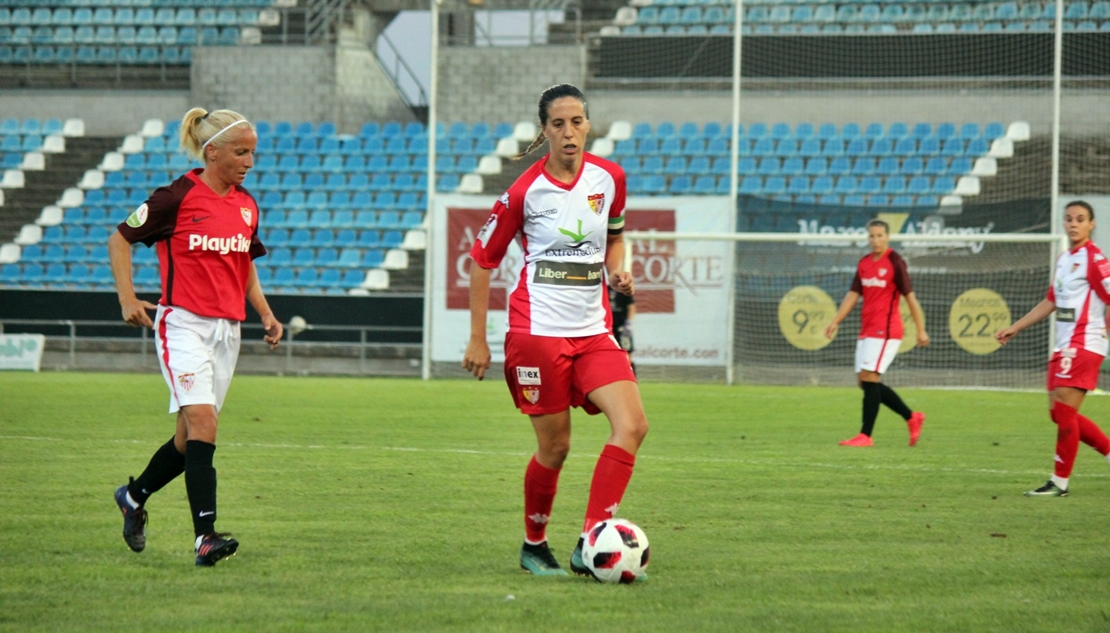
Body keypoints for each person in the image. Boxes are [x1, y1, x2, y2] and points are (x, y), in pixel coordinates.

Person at [462, 84, 649, 579]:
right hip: (537, 332)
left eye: (577, 122)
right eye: (558, 124)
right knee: (556, 447)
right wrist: (478, 338)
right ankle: (533, 545)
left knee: (632, 425)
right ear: (544, 131)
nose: (569, 132)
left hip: (592, 330)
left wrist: (616, 270)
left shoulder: (610, 179)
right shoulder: (524, 191)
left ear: (589, 124)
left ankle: (592, 542)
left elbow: (615, 239)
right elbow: (482, 260)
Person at [108, 107, 283, 566]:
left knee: (189, 439)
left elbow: (244, 265)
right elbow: (120, 238)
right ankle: (205, 537)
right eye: (241, 152)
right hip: (182, 324)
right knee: (205, 424)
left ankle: (133, 497)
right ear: (212, 151)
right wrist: (128, 298)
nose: (249, 161)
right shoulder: (176, 197)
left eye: (253, 153)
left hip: (228, 332)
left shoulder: (247, 205)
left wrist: (265, 313)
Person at [996, 200, 1110, 497]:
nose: (1073, 224)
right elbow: (1051, 300)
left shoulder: (1094, 259)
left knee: (1064, 410)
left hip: (1084, 342)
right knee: (1058, 414)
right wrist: (1016, 326)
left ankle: (1059, 482)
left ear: (1091, 224)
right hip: (1063, 344)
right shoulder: (1064, 259)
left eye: (1080, 219)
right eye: (1069, 219)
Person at [824, 219, 930, 447]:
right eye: (872, 236)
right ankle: (912, 417)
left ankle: (865, 435)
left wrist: (921, 329)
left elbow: (910, 298)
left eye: (880, 235)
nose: (875, 240)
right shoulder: (864, 263)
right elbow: (852, 295)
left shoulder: (895, 262)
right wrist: (835, 321)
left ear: (887, 237)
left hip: (887, 330)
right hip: (867, 330)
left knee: (870, 379)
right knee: (865, 383)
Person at [609, 286, 636, 375]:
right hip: (608, 329)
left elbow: (631, 307)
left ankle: (632, 379)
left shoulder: (623, 289)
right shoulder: (603, 288)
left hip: (622, 328)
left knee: (627, 354)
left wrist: (628, 324)